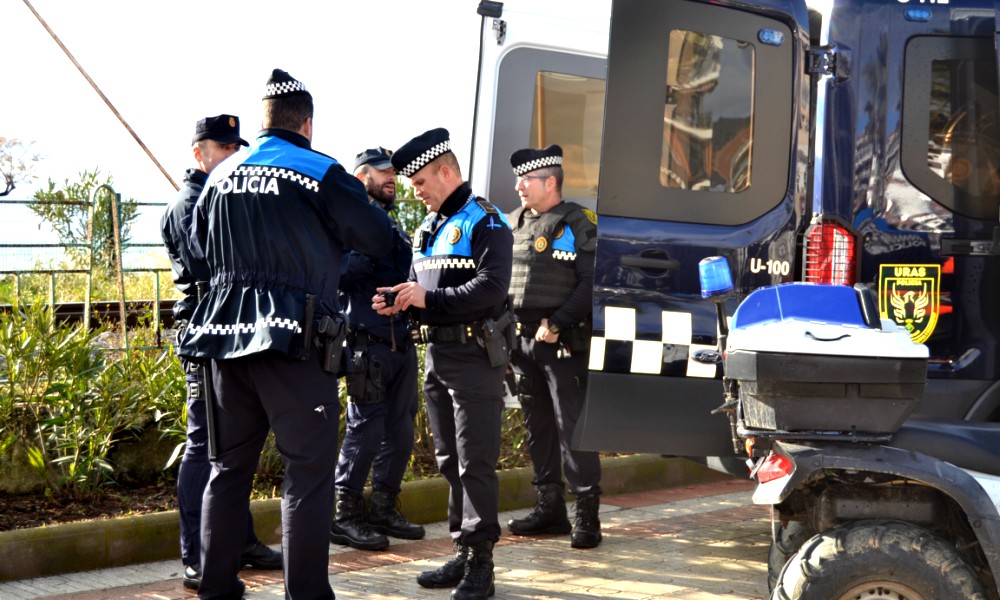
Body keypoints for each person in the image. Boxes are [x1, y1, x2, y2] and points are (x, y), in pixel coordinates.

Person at [178, 69, 392, 600]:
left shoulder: (222, 176)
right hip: (295, 342)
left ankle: (217, 589)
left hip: (223, 342)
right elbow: (379, 238)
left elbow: (199, 253)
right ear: (309, 123)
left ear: (263, 122)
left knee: (226, 469)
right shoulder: (320, 170)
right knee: (308, 474)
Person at [374, 127, 513, 600]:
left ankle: (483, 563)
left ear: (446, 172)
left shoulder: (487, 222)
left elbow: (492, 290)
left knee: (476, 462)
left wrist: (426, 297)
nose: (416, 194)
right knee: (449, 460)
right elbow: (422, 290)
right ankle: (462, 547)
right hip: (438, 355)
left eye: (420, 184)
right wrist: (400, 300)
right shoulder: (426, 229)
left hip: (475, 355)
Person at [160, 114, 282, 590]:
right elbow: (213, 268)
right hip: (204, 335)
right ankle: (199, 553)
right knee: (204, 446)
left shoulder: (215, 199)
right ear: (199, 153)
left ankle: (238, 541)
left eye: (236, 148)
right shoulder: (190, 204)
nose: (232, 155)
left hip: (225, 333)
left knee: (231, 450)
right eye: (222, 148)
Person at [505, 144, 603, 549]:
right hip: (522, 343)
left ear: (550, 182)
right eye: (518, 180)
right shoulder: (511, 223)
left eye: (526, 180)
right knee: (538, 427)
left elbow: (590, 282)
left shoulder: (577, 222)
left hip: (561, 343)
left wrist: (559, 324)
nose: (518, 187)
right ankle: (550, 510)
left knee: (571, 429)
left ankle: (587, 517)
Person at [328, 147, 424, 551]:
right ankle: (344, 515)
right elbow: (340, 274)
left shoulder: (391, 223)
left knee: (401, 430)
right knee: (365, 429)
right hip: (367, 343)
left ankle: (384, 506)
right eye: (382, 171)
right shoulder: (348, 222)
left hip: (401, 340)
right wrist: (371, 251)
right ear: (361, 175)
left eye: (393, 173)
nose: (391, 177)